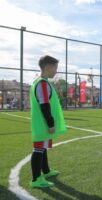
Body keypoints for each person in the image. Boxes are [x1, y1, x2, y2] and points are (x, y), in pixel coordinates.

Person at [29, 55, 67, 188]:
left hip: (41, 123)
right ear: (48, 67)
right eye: (55, 68)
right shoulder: (42, 84)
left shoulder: (40, 82)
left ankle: (45, 171)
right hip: (43, 124)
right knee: (38, 149)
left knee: (42, 148)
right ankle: (36, 179)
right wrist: (51, 123)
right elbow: (44, 105)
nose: (56, 71)